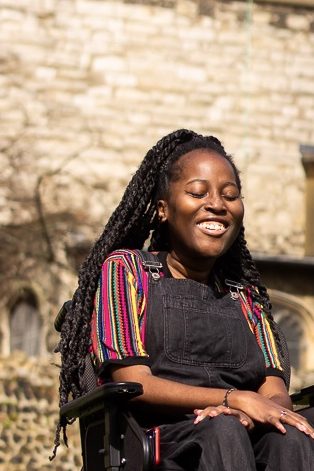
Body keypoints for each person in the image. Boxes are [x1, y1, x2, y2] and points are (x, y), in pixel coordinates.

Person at [55, 129, 314, 470]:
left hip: (242, 432)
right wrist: (231, 400)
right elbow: (133, 381)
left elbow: (273, 386)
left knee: (291, 433)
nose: (217, 205)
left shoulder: (245, 293)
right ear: (163, 209)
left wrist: (271, 410)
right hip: (158, 439)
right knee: (224, 430)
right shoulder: (129, 271)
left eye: (231, 195)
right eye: (197, 192)